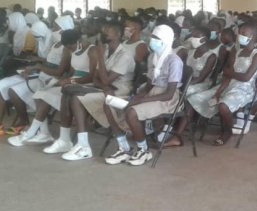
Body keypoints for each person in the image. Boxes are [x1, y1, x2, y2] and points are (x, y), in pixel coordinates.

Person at [104, 24, 183, 166]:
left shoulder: (174, 61)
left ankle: (143, 150)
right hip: (152, 93)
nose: (151, 40)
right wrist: (138, 96)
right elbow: (149, 85)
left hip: (168, 99)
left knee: (132, 112)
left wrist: (143, 100)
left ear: (165, 40)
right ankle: (124, 147)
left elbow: (169, 93)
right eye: (152, 36)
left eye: (156, 38)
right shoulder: (153, 56)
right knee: (109, 105)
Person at [60, 22, 135, 161]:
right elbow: (96, 78)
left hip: (120, 92)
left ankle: (83, 146)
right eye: (103, 30)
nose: (104, 33)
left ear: (118, 35)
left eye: (108, 31)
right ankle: (81, 144)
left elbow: (106, 80)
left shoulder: (124, 55)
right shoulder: (106, 51)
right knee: (70, 93)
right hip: (104, 88)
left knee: (76, 98)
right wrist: (102, 83)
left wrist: (100, 58)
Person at [7, 30, 91, 147]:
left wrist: (69, 81)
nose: (69, 50)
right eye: (67, 47)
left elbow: (91, 76)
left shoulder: (92, 51)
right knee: (40, 95)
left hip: (83, 85)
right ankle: (43, 133)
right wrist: (63, 80)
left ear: (77, 41)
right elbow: (71, 72)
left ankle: (32, 133)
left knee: (45, 95)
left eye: (70, 47)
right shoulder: (74, 51)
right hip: (71, 83)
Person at [187, 22, 257, 146]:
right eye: (239, 33)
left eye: (244, 33)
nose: (240, 35)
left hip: (245, 88)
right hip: (228, 85)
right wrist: (218, 92)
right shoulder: (236, 51)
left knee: (223, 105)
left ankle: (227, 131)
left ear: (254, 36)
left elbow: (246, 77)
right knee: (194, 98)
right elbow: (226, 75)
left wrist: (230, 72)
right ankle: (193, 125)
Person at [164, 25, 218, 148]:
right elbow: (181, 70)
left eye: (195, 36)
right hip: (187, 81)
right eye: (192, 35)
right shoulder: (190, 52)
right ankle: (168, 124)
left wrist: (182, 85)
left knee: (185, 93)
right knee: (170, 89)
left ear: (204, 39)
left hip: (201, 84)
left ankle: (176, 133)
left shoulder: (211, 56)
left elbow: (201, 78)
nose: (191, 38)